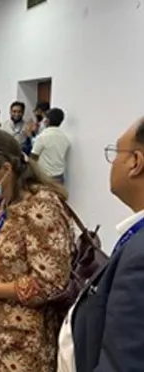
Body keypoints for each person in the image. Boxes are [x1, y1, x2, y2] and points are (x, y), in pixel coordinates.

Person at [0, 128, 73, 372]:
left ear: (6, 169)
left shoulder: (42, 207)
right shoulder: (4, 201)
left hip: (27, 340)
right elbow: (11, 262)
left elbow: (51, 284)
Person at [58, 119, 144, 371]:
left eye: (117, 153)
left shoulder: (140, 256)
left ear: (135, 163)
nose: (113, 163)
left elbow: (123, 362)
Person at [31, 108, 70, 184]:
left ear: (47, 121)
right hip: (59, 177)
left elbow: (33, 157)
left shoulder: (43, 137)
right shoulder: (65, 138)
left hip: (44, 177)